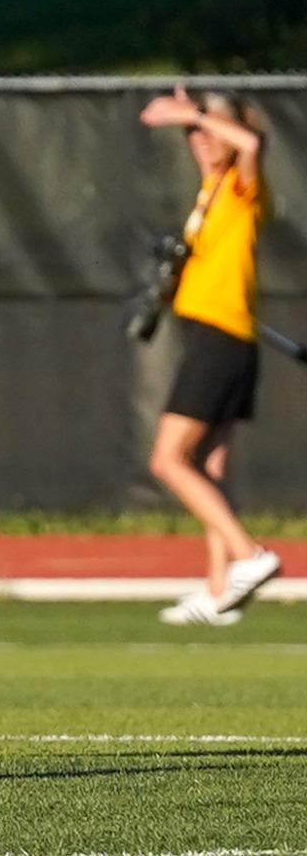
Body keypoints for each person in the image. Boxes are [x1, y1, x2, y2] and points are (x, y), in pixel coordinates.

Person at [141, 86, 282, 626]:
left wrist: (194, 112)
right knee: (208, 468)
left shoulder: (243, 186)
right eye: (191, 135)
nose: (198, 140)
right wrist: (191, 118)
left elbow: (250, 143)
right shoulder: (211, 190)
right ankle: (220, 590)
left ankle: (250, 556)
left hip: (221, 339)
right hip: (218, 336)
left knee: (168, 460)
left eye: (206, 130)